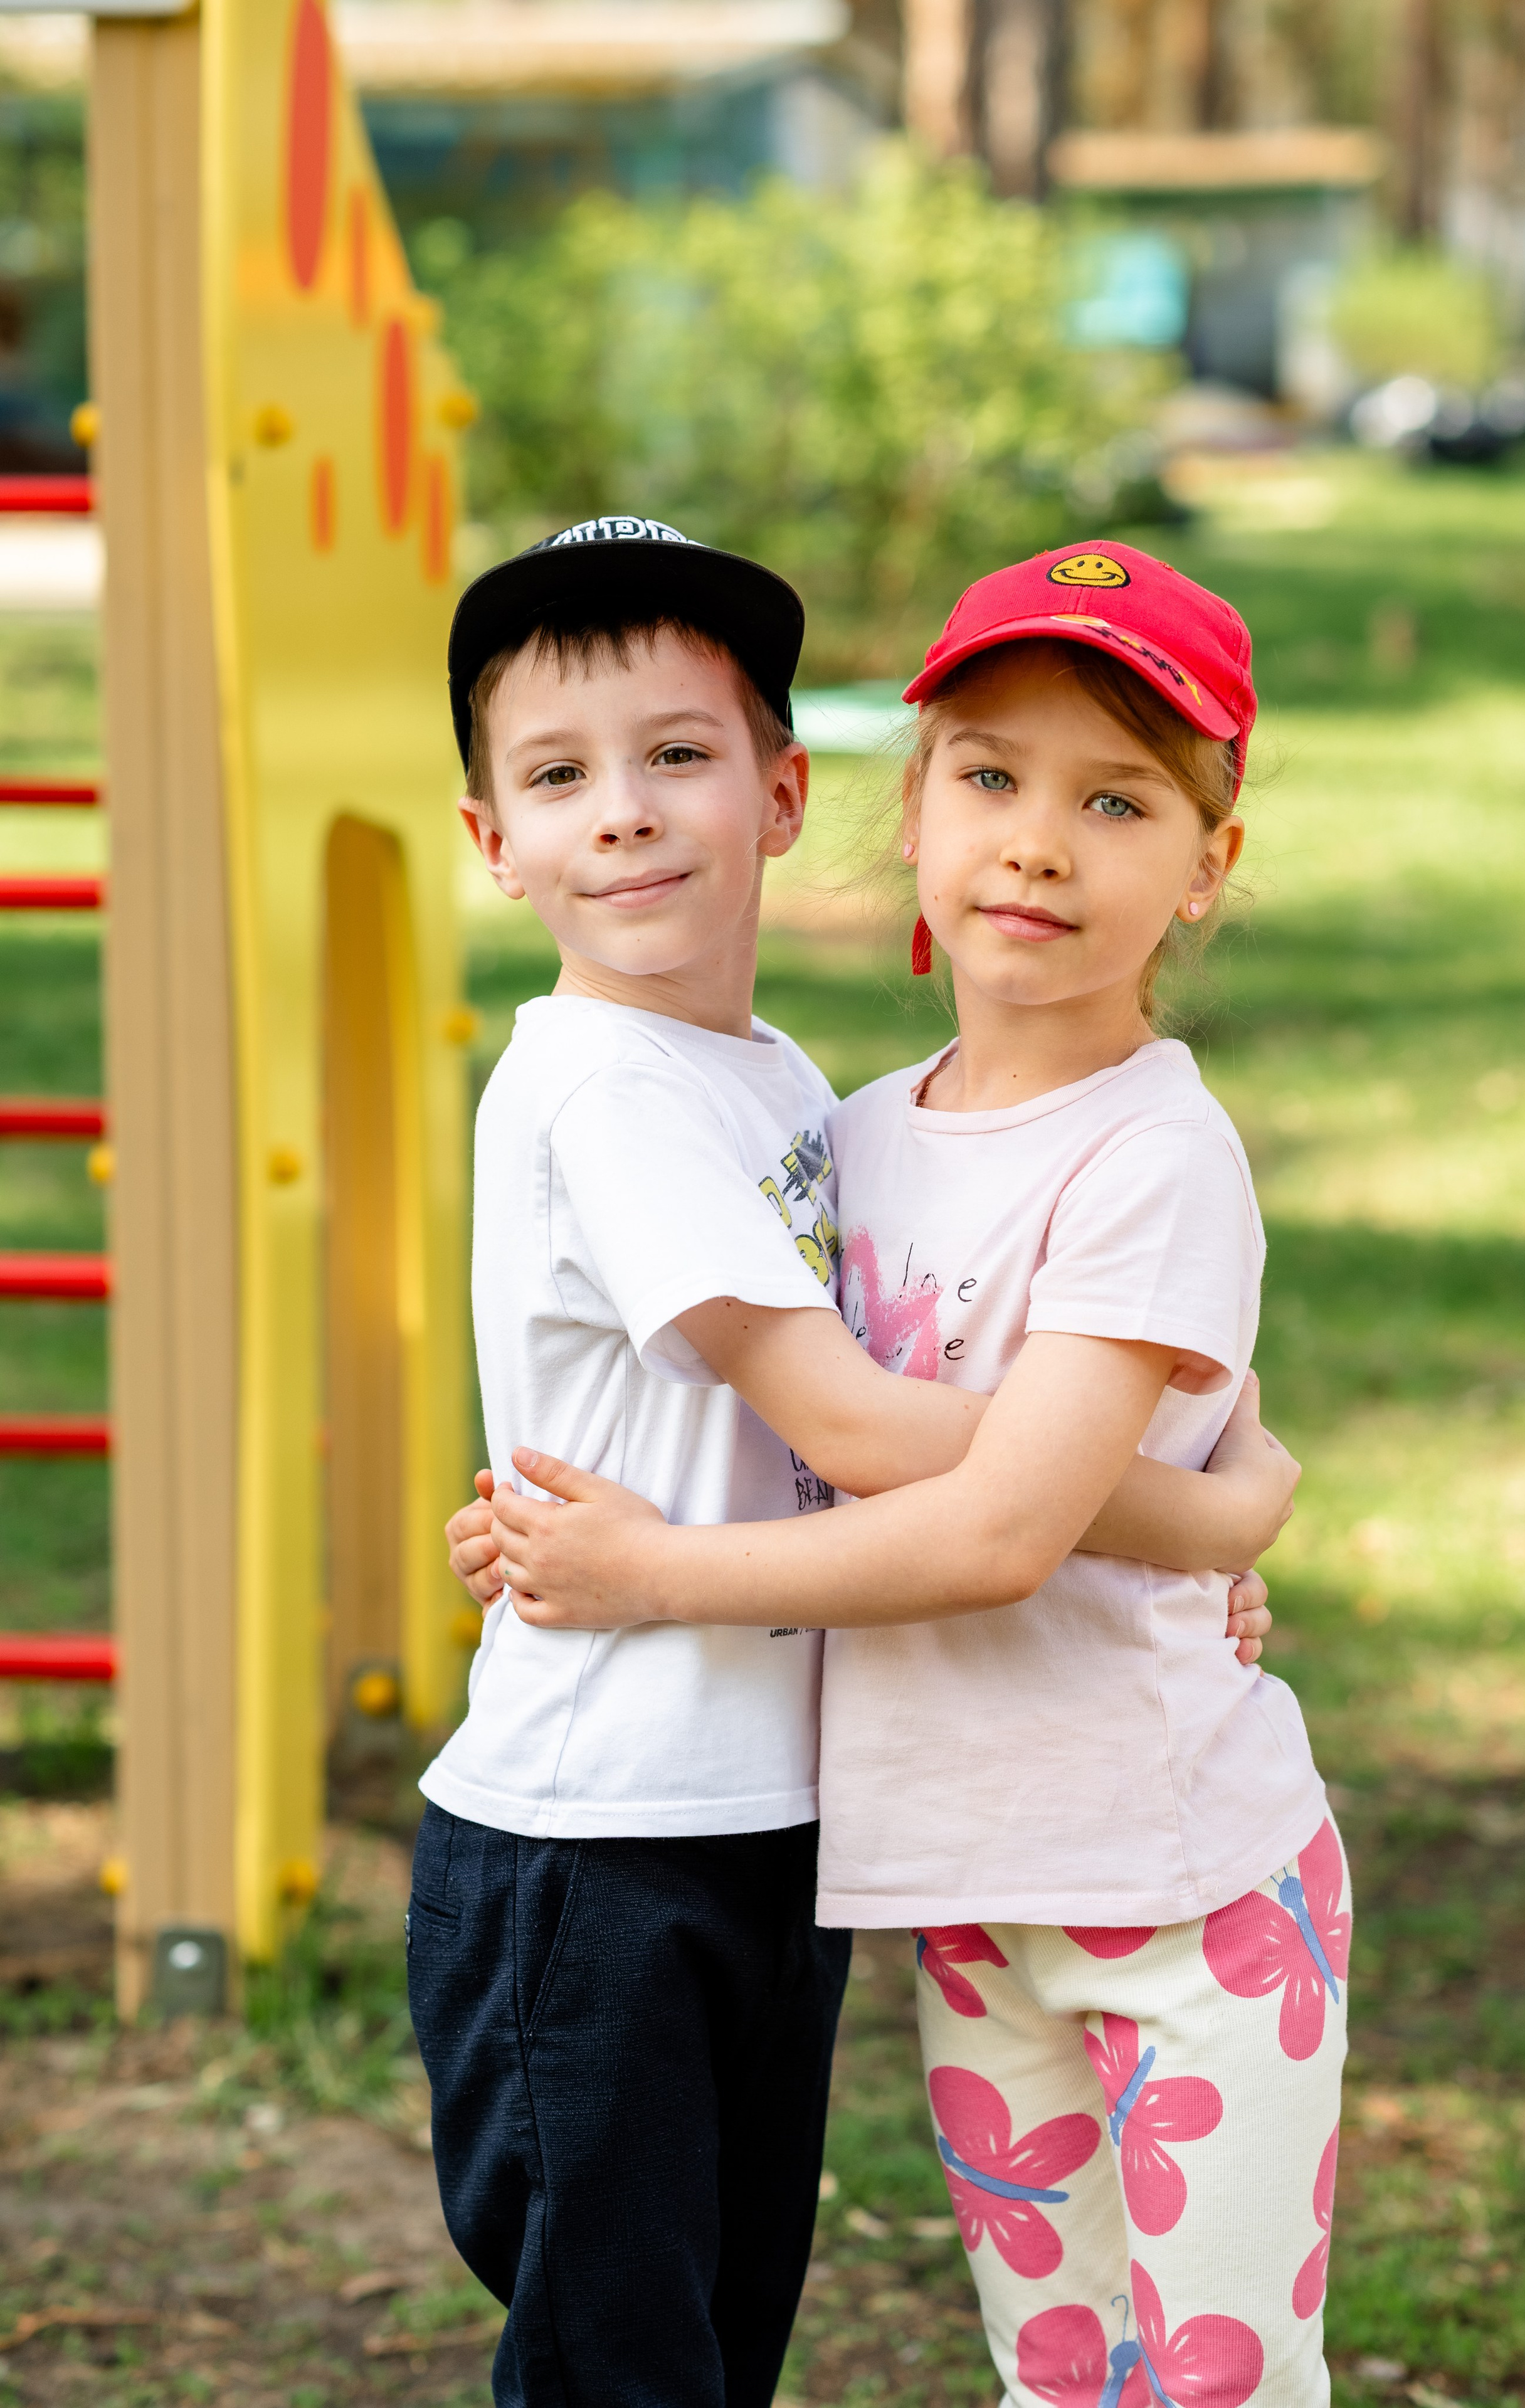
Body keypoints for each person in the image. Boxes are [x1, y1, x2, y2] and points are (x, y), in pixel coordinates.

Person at [421, 517, 1294, 2408]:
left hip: (783, 1807)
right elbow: (870, 1432)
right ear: (491, 840)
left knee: (719, 2334)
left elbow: (996, 1401)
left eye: (678, 754)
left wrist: (1156, 1504)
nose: (625, 813)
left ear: (786, 794)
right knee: (621, 2353)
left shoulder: (795, 1092)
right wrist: (1201, 1509)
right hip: (602, 1817)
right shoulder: (607, 1086)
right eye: (560, 777)